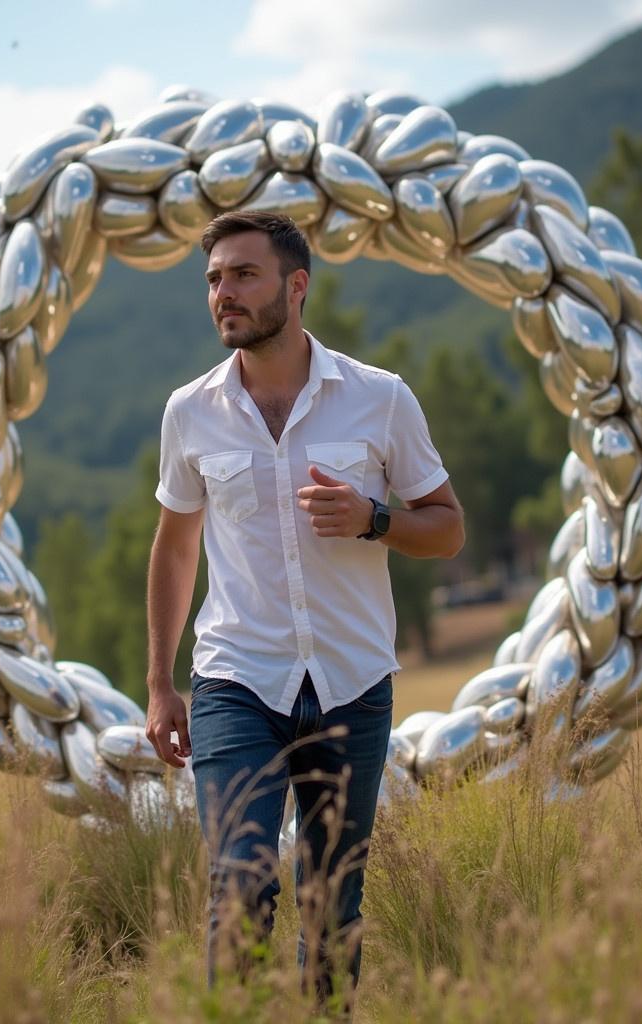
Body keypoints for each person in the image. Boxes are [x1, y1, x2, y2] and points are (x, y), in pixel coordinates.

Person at [145, 211, 464, 1009]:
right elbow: (176, 548)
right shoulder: (189, 412)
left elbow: (448, 527)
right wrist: (159, 682)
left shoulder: (380, 399)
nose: (224, 293)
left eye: (243, 275)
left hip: (353, 685)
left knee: (331, 909)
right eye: (214, 278)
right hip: (236, 680)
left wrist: (374, 519)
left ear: (296, 285)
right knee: (238, 883)